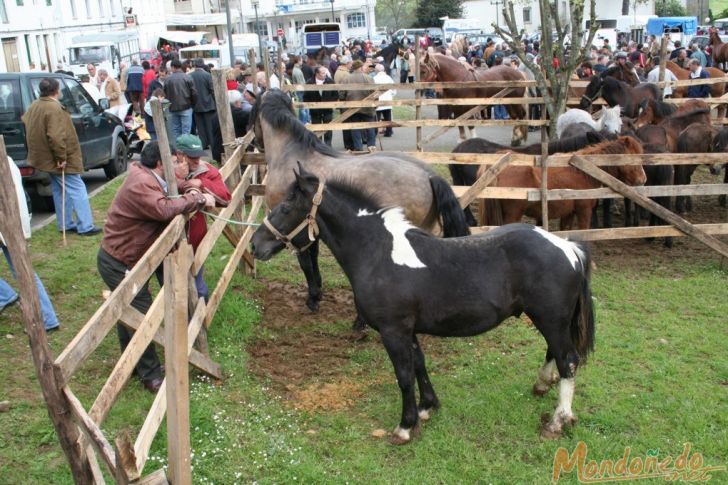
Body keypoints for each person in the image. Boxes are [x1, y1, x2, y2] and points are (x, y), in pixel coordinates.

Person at [98, 141, 215, 393]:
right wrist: (195, 198)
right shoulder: (141, 184)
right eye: (175, 161)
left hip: (129, 257)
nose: (179, 165)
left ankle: (129, 364)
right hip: (120, 262)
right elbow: (163, 209)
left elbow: (167, 188)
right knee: (141, 316)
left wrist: (187, 185)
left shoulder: (149, 177)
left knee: (126, 312)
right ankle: (150, 375)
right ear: (161, 164)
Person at [22, 78, 101, 236]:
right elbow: (56, 136)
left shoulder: (35, 105)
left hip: (45, 157)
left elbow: (25, 121)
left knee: (59, 190)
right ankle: (86, 226)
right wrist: (61, 158)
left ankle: (65, 223)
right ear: (56, 90)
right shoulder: (53, 108)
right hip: (58, 158)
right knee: (77, 189)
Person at [0, 156, 60, 332]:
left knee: (23, 271)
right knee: (24, 271)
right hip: (13, 221)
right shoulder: (7, 158)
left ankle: (6, 296)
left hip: (8, 222)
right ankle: (47, 317)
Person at [174, 134, 231, 300]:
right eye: (192, 157)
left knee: (199, 290)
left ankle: (198, 323)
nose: (196, 161)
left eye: (198, 156)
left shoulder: (205, 170)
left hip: (196, 240)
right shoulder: (165, 170)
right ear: (180, 155)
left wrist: (202, 184)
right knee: (177, 290)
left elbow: (226, 197)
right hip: (171, 244)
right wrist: (179, 178)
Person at [342, 60, 377, 151]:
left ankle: (358, 147)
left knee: (355, 127)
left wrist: (344, 102)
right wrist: (375, 104)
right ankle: (371, 145)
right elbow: (375, 93)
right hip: (367, 107)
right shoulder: (368, 78)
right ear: (360, 67)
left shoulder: (346, 79)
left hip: (352, 107)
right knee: (369, 126)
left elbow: (342, 93)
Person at [164, 59, 197, 142]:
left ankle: (178, 149)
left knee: (176, 130)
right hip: (186, 106)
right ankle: (185, 150)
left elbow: (165, 93)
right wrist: (193, 105)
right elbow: (194, 93)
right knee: (186, 131)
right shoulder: (187, 77)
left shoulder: (167, 79)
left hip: (173, 107)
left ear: (172, 67)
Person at [304, 66, 337, 146]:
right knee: (317, 129)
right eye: (323, 73)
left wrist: (330, 103)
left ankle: (328, 146)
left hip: (327, 110)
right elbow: (305, 97)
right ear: (317, 74)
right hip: (315, 111)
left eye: (325, 72)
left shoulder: (330, 81)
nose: (325, 74)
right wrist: (312, 105)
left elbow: (335, 95)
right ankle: (318, 147)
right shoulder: (309, 82)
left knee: (328, 129)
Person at [190, 58, 217, 149]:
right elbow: (212, 90)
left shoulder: (190, 76)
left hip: (196, 105)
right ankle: (213, 144)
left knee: (200, 127)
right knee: (210, 127)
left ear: (194, 65)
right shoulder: (208, 75)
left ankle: (203, 144)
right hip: (209, 104)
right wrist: (216, 103)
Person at [373, 64, 396, 137]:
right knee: (388, 117)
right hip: (388, 100)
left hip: (378, 101)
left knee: (377, 118)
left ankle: (374, 132)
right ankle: (389, 132)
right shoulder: (389, 78)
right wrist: (391, 95)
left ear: (376, 71)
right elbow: (394, 90)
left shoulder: (374, 78)